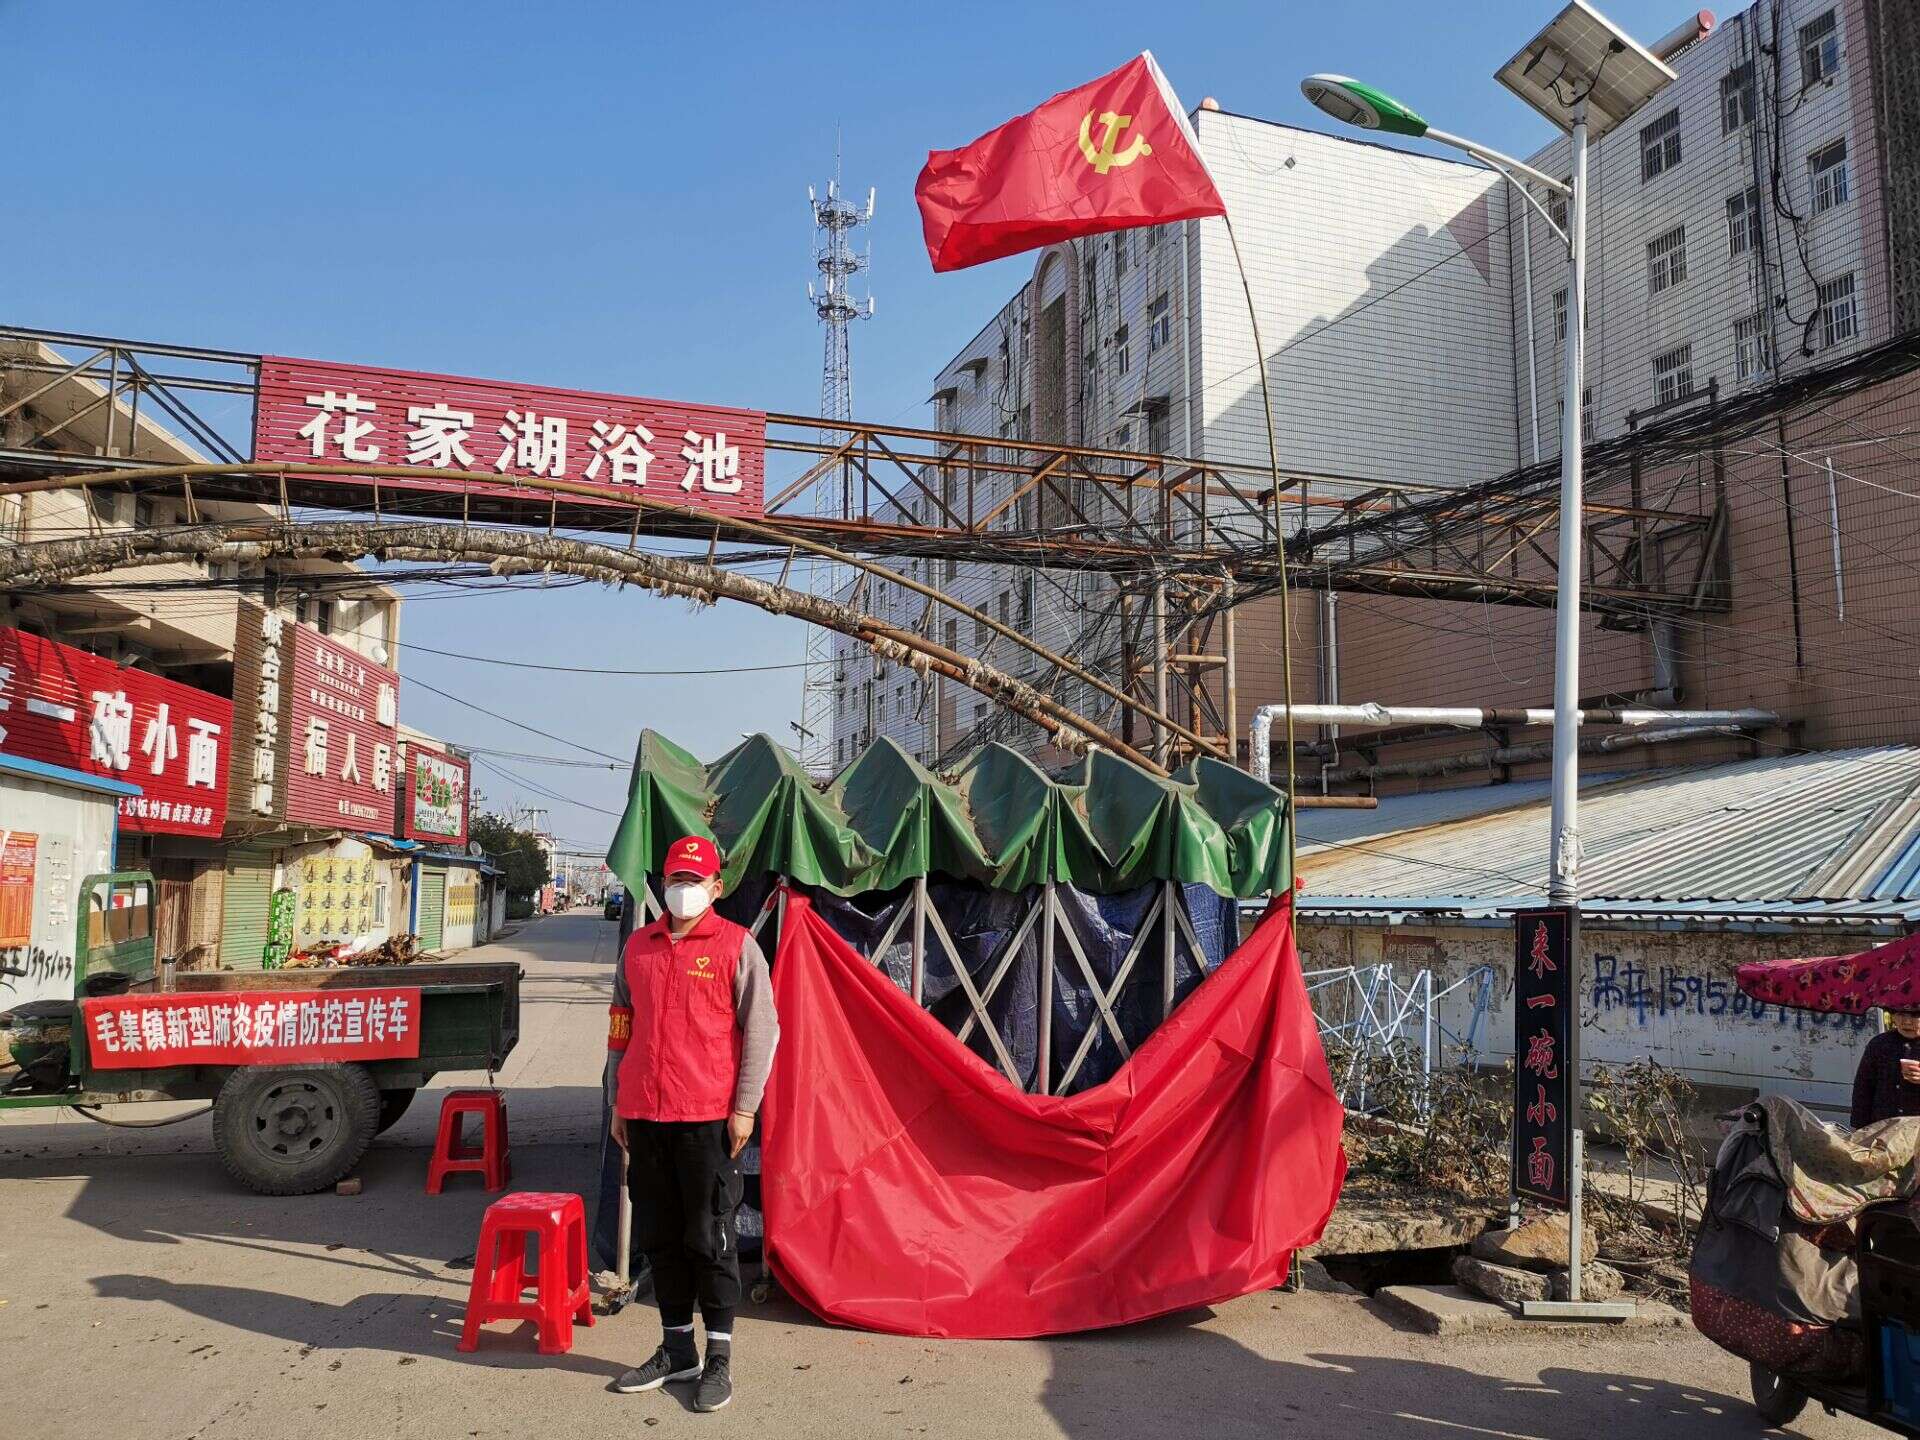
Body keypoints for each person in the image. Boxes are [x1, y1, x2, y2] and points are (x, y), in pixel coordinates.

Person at [607, 835, 777, 1412]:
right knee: (660, 1235)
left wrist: (745, 1106)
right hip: (645, 1115)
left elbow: (762, 1029)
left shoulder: (736, 946)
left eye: (693, 881)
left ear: (715, 887)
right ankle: (677, 1349)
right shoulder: (639, 948)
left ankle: (719, 1356)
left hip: (707, 1119)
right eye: (675, 879)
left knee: (711, 1238)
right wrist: (618, 1100)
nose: (682, 890)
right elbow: (621, 1024)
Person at [1849, 1009, 1920, 1128]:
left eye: (1915, 1015)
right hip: (1884, 1125)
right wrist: (1859, 1126)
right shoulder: (1880, 1043)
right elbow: (1863, 1086)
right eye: (1901, 1014)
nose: (1907, 1021)